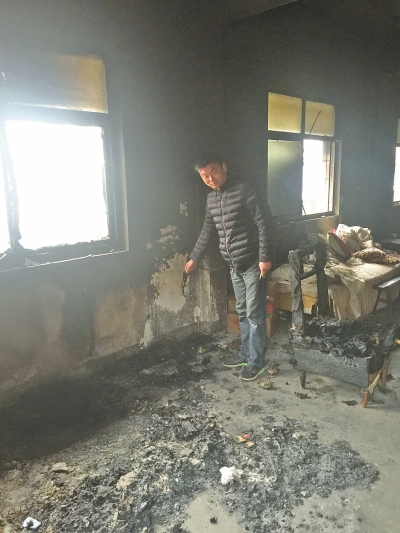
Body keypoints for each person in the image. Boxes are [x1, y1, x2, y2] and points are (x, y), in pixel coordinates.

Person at [185, 152, 275, 381]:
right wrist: (194, 258)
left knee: (254, 314)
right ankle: (245, 353)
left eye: (214, 172)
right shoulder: (212, 199)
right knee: (242, 311)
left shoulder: (245, 189)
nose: (210, 179)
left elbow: (264, 222)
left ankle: (256, 362)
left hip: (253, 262)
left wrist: (265, 257)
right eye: (204, 176)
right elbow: (207, 230)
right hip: (234, 265)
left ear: (224, 167)